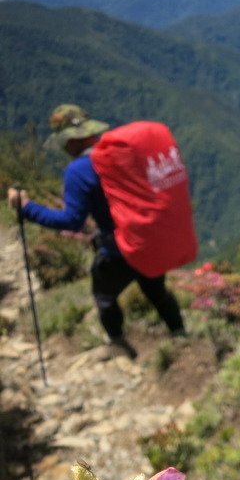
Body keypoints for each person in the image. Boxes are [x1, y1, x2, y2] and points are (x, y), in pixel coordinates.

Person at [7, 104, 185, 359]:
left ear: (67, 141)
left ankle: (119, 346)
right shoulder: (123, 156)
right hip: (148, 241)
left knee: (104, 296)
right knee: (157, 292)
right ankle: (181, 337)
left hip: (118, 249)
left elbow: (71, 220)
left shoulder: (78, 170)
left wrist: (26, 208)